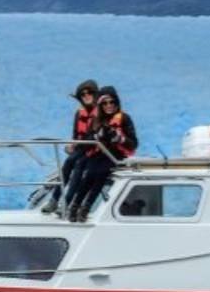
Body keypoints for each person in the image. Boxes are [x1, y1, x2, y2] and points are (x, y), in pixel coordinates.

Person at [66, 86, 137, 223]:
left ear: (117, 102)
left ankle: (86, 208)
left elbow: (133, 143)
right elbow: (87, 139)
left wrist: (119, 138)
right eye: (105, 103)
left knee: (100, 174)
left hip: (114, 155)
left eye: (112, 102)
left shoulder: (125, 119)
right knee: (88, 176)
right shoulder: (96, 120)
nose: (109, 105)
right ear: (100, 104)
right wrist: (92, 138)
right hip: (98, 153)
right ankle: (74, 207)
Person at [40, 79, 99, 215]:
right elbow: (76, 136)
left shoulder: (101, 114)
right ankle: (54, 200)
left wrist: (79, 147)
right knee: (68, 163)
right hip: (82, 149)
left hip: (96, 151)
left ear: (95, 94)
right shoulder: (79, 113)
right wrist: (71, 146)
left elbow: (95, 137)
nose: (86, 96)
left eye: (89, 92)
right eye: (83, 94)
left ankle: (68, 202)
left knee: (78, 164)